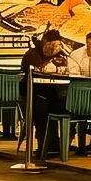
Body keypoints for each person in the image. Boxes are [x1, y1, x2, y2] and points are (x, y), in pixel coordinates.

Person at [21, 29, 71, 159]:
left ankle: (59, 144)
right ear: (44, 42)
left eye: (56, 45)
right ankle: (45, 145)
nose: (54, 48)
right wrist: (50, 63)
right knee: (42, 111)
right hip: (32, 94)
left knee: (68, 109)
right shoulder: (32, 54)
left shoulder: (60, 55)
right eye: (51, 45)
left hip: (54, 93)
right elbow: (35, 73)